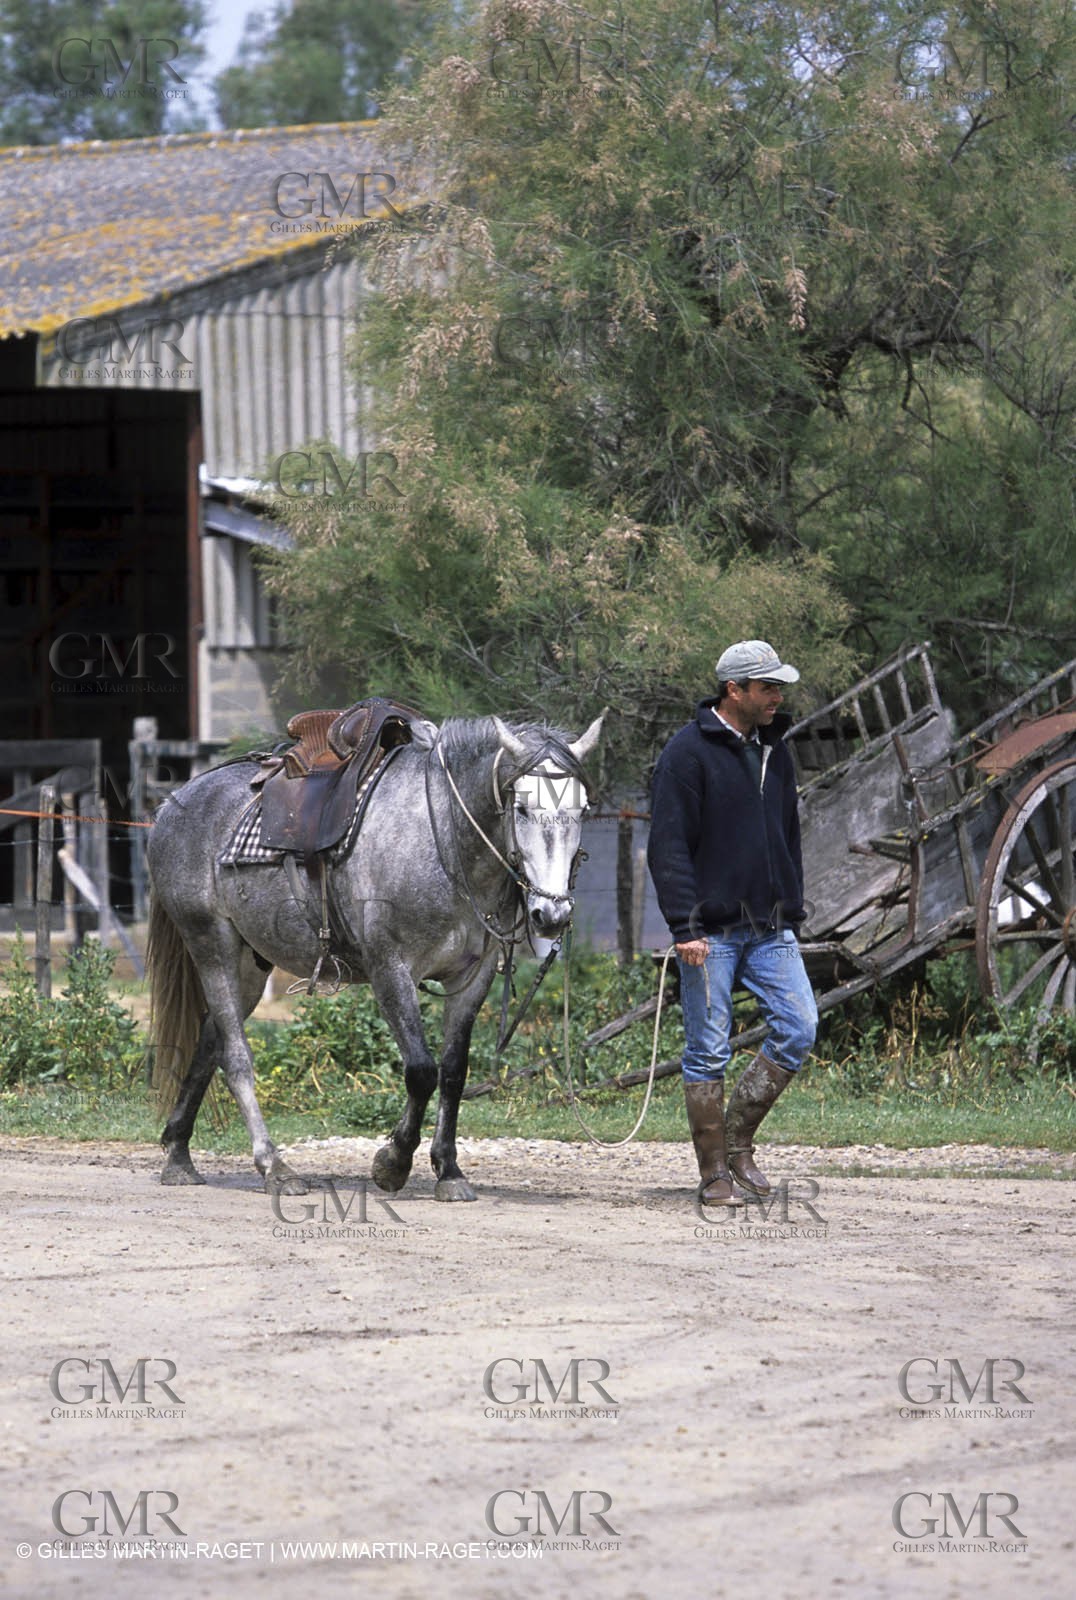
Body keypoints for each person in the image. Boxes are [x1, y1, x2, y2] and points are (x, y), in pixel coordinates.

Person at [647, 640, 818, 1206]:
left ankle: (739, 1141)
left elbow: (787, 835)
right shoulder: (686, 754)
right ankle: (714, 1172)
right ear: (734, 690)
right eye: (768, 687)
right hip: (709, 934)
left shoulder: (776, 748)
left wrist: (790, 904)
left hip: (771, 928)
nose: (778, 696)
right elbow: (668, 848)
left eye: (779, 687)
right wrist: (683, 926)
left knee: (799, 1027)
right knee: (707, 1052)